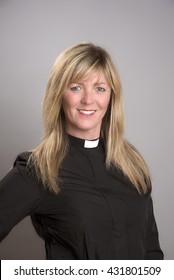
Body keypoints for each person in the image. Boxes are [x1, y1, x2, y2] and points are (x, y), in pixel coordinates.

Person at [0, 42, 163, 260]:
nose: (88, 99)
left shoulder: (131, 163)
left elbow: (152, 253)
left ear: (111, 97)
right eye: (76, 87)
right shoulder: (38, 169)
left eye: (100, 88)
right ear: (59, 94)